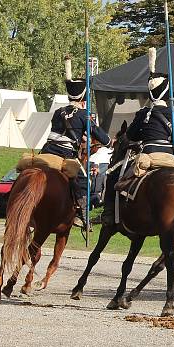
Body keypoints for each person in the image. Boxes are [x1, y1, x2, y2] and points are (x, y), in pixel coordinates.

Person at [41, 56, 112, 228]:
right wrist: (109, 142)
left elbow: (61, 130)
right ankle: (81, 214)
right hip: (65, 153)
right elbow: (98, 133)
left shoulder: (58, 112)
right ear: (82, 96)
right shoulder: (83, 114)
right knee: (84, 182)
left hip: (47, 150)